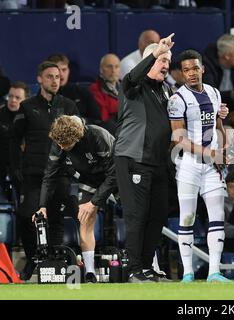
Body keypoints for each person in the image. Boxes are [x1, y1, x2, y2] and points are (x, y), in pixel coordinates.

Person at [114, 34, 175, 283]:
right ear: (148, 61)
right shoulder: (132, 87)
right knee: (136, 215)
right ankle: (133, 269)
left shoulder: (166, 90)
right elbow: (131, 77)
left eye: (168, 61)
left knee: (158, 214)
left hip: (159, 162)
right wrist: (154, 52)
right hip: (133, 158)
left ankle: (147, 267)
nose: (166, 64)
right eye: (162, 59)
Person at [168, 49, 230, 283]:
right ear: (182, 74)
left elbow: (218, 127)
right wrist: (210, 153)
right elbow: (178, 138)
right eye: (186, 70)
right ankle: (187, 274)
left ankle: (214, 272)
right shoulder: (177, 99)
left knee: (217, 216)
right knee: (187, 217)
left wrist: (224, 150)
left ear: (202, 68)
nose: (192, 73)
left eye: (195, 68)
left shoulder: (214, 92)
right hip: (189, 165)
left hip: (212, 166)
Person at [14, 61, 79, 280]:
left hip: (60, 175)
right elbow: (14, 139)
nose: (54, 81)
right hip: (33, 175)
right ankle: (35, 261)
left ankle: (56, 265)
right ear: (40, 79)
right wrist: (18, 167)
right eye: (50, 76)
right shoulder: (27, 106)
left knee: (57, 220)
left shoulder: (69, 106)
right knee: (28, 217)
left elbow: (79, 136)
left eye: (58, 77)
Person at [35, 115, 116, 283]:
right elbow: (49, 176)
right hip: (89, 179)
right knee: (85, 219)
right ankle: (90, 272)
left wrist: (94, 202)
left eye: (66, 145)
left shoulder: (98, 135)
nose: (62, 148)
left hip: (117, 177)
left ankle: (149, 266)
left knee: (135, 217)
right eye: (59, 144)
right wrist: (42, 206)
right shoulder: (60, 142)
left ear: (77, 137)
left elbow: (113, 175)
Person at [46, 53, 101, 125]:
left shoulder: (82, 92)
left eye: (64, 69)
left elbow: (97, 119)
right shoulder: (43, 96)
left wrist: (81, 122)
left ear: (69, 70)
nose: (61, 74)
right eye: (58, 70)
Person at [0, 82, 29, 202]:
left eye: (17, 98)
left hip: (22, 165)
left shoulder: (31, 117)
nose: (12, 100)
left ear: (26, 100)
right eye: (10, 96)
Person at [89, 54, 121, 135]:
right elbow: (104, 117)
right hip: (110, 130)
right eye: (109, 67)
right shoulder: (95, 89)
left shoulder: (125, 86)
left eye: (116, 67)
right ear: (101, 69)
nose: (113, 70)